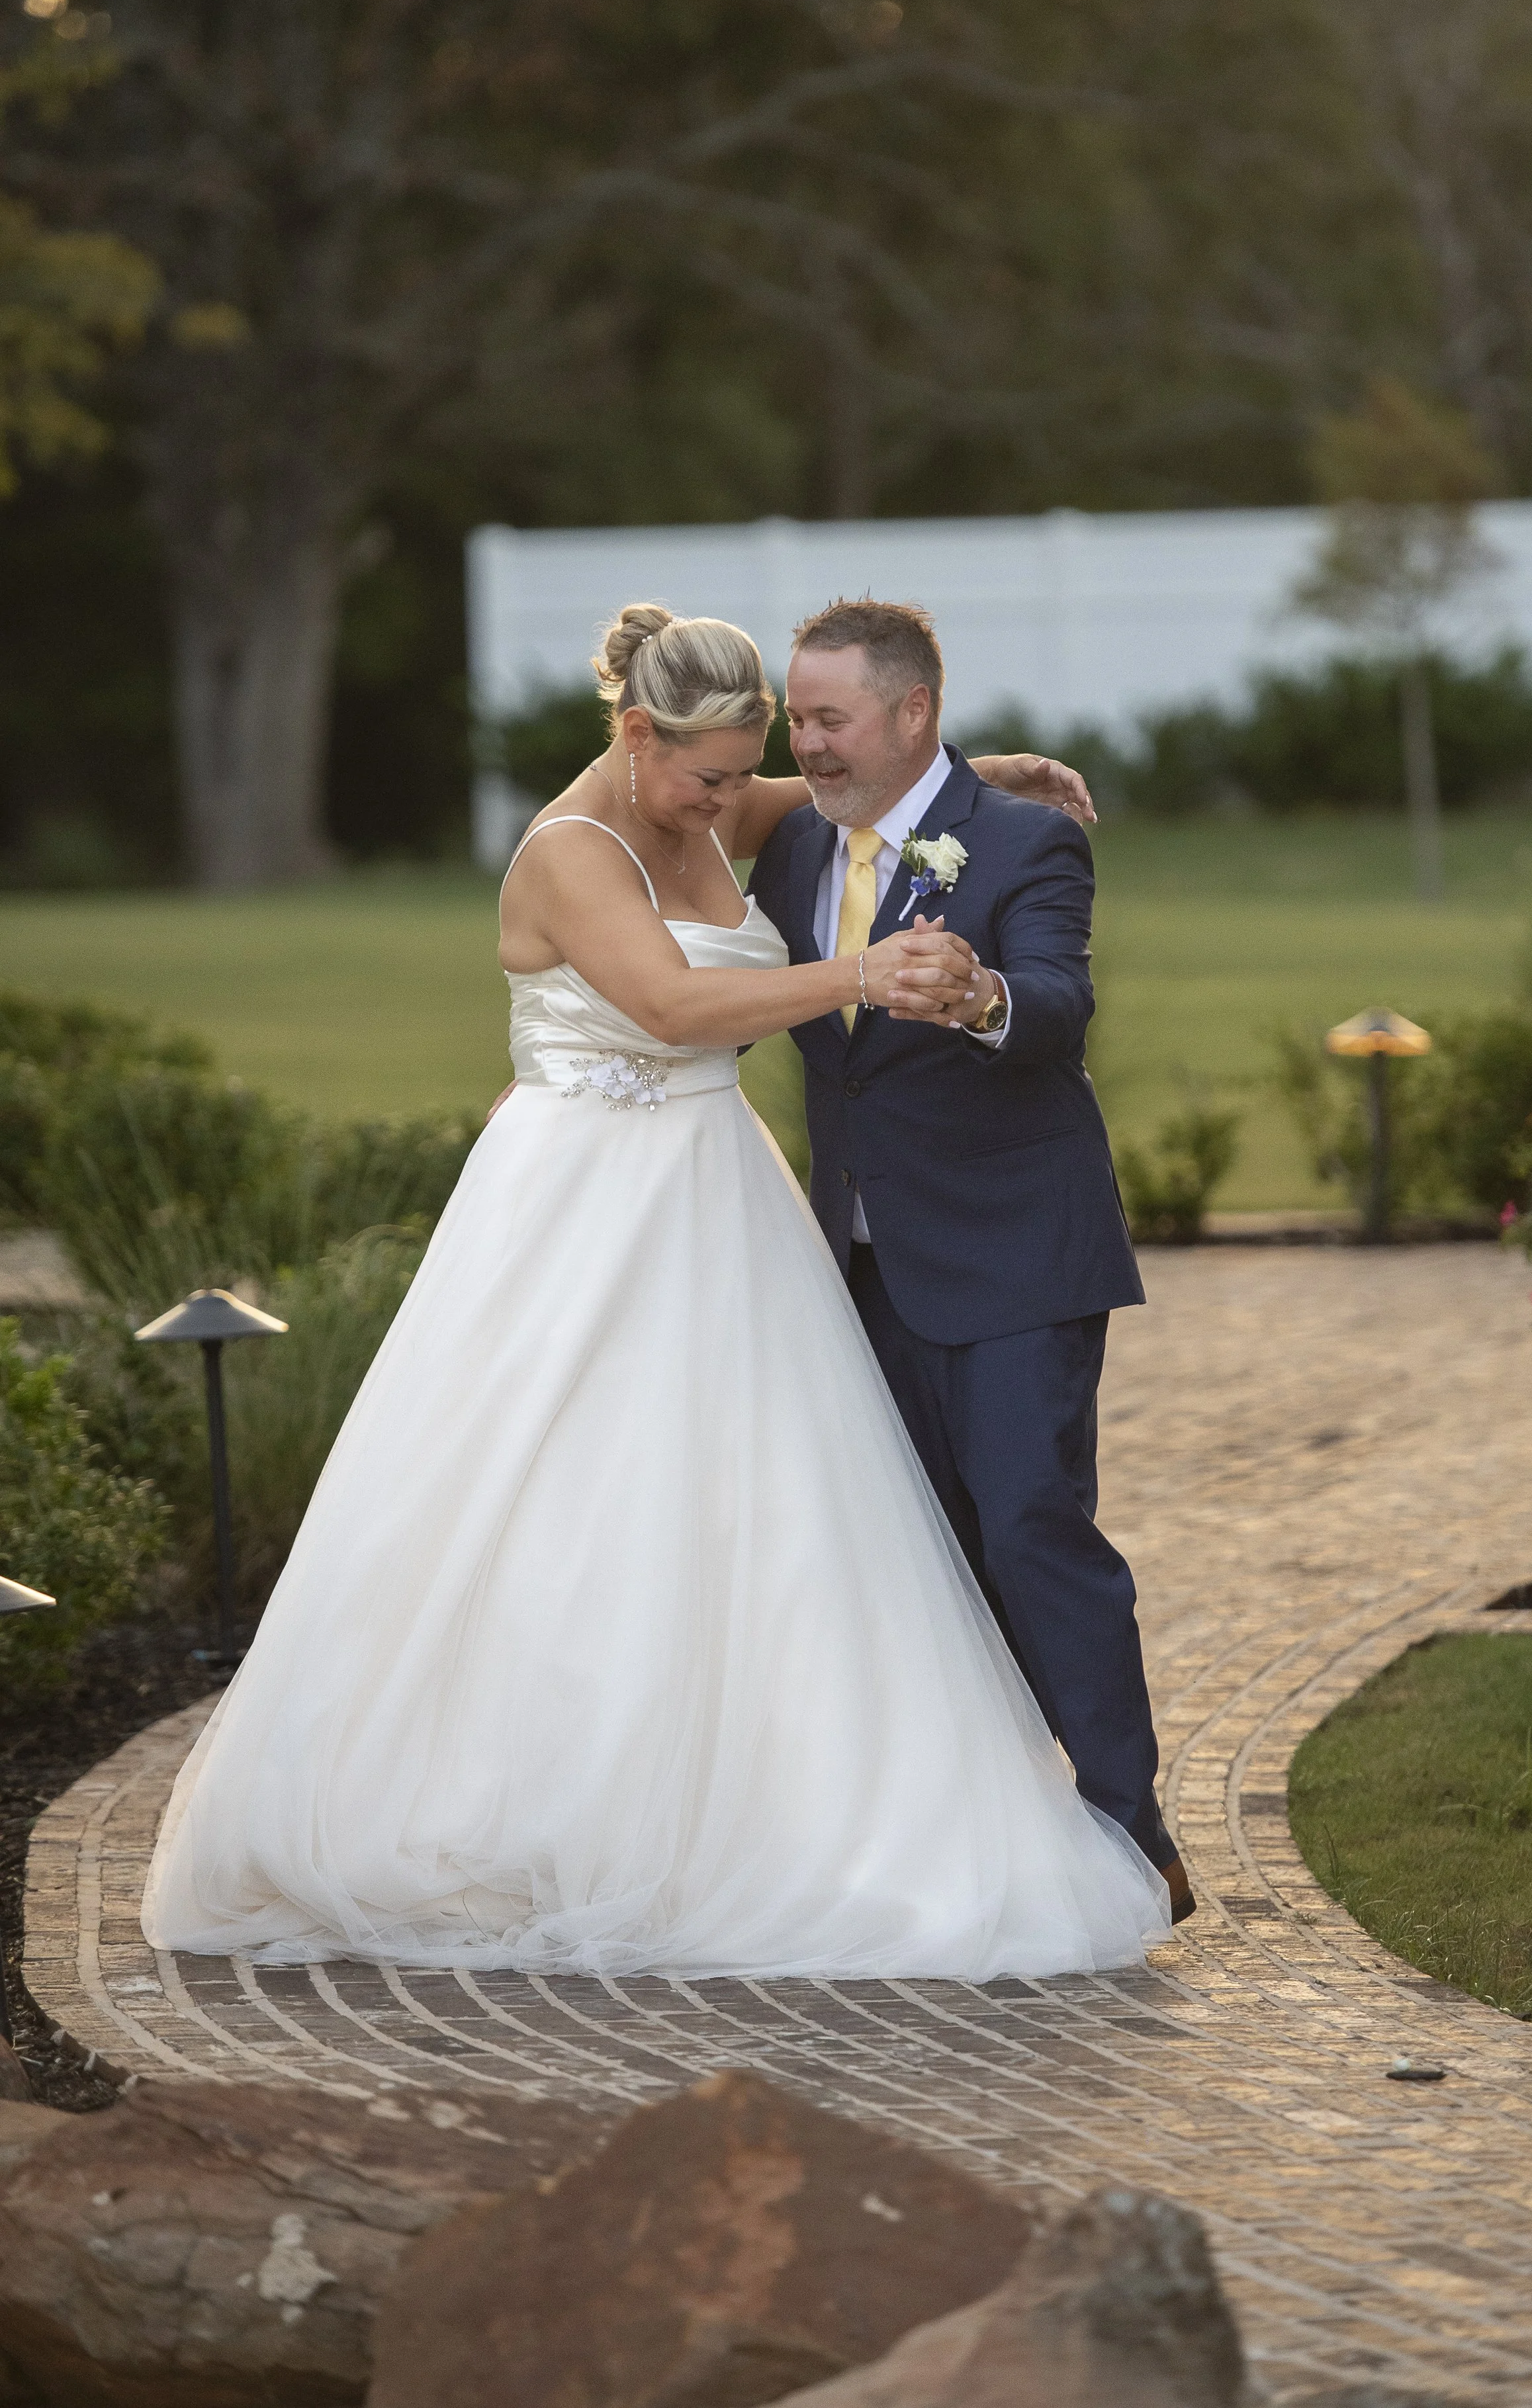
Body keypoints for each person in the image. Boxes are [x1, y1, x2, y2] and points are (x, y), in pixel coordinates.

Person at [142, 603, 1172, 1979]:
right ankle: (563, 1809)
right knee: (572, 1503)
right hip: (582, 1203)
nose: (747, 792)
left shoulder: (723, 805)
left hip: (741, 1202)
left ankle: (1010, 1813)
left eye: (764, 760)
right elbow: (675, 1012)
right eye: (718, 771)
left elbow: (879, 789)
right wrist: (863, 971)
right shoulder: (576, 850)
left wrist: (1002, 787)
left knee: (805, 1516)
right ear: (638, 737)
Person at [750, 598, 1191, 1920]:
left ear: (912, 714)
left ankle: (1131, 1836)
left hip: (1015, 1260)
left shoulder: (1024, 843)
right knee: (912, 1560)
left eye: (829, 719)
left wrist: (982, 995)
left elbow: (1058, 1001)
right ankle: (966, 1837)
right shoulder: (787, 852)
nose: (807, 744)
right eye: (796, 718)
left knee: (1030, 1531)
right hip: (858, 1270)